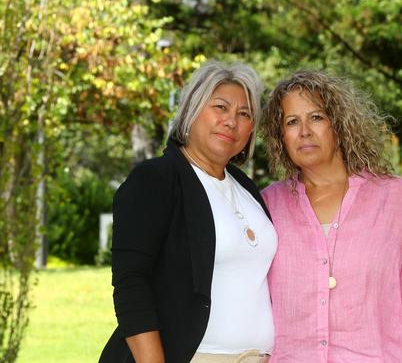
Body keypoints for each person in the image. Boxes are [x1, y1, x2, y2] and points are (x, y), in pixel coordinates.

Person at [260, 70, 402, 363]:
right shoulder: (267, 206)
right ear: (281, 136)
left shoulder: (395, 200)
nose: (304, 131)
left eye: (316, 117)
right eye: (292, 122)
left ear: (338, 124)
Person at [99, 61, 277, 363]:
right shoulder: (156, 179)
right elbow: (131, 284)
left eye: (244, 114)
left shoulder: (246, 188)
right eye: (220, 107)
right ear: (192, 109)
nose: (231, 121)